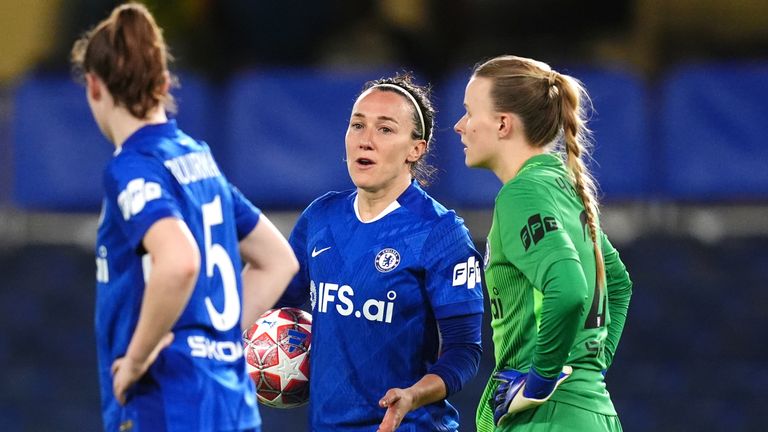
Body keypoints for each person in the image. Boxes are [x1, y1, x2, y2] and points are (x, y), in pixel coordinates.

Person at [70, 3, 299, 431]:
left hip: (169, 402)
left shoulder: (132, 166)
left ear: (94, 86)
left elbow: (179, 261)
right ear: (162, 81)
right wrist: (217, 339)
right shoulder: (199, 160)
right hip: (231, 403)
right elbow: (278, 259)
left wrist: (137, 357)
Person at [277, 73, 484, 431]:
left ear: (415, 149)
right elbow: (282, 307)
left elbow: (464, 351)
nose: (365, 140)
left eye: (385, 129)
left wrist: (413, 396)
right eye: (357, 126)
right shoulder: (320, 218)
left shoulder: (440, 233)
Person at [453, 55, 633, 431]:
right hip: (592, 411)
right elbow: (618, 284)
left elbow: (568, 289)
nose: (460, 126)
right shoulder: (562, 187)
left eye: (469, 113)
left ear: (503, 124)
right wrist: (588, 370)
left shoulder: (522, 193)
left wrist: (540, 383)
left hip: (548, 417)